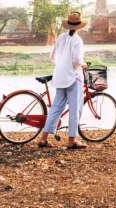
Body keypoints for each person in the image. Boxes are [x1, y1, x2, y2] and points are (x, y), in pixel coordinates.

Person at [37, 12, 88, 149]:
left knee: (56, 108)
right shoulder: (77, 40)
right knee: (75, 109)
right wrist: (83, 65)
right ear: (80, 26)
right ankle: (72, 141)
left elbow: (53, 56)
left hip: (60, 77)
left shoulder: (61, 37)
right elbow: (77, 60)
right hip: (73, 78)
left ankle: (44, 138)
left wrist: (63, 61)